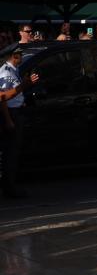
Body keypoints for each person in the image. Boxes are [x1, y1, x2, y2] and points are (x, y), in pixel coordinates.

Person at [0, 45, 40, 198]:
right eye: (20, 54)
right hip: (11, 114)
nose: (22, 56)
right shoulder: (5, 72)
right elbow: (2, 98)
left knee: (13, 153)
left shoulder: (13, 70)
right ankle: (9, 188)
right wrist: (9, 120)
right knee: (10, 153)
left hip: (16, 111)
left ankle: (10, 186)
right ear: (14, 56)